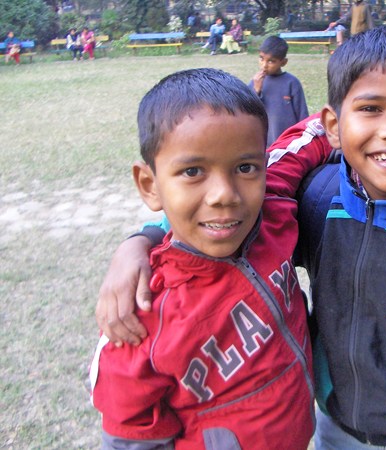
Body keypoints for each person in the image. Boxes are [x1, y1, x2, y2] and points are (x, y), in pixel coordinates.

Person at [97, 25, 386, 450]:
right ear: (334, 125)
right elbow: (221, 194)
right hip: (332, 431)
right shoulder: (312, 203)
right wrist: (141, 240)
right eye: (372, 108)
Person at [89, 68, 320, 449]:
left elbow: (317, 132)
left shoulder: (272, 205)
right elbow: (130, 435)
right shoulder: (138, 317)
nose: (224, 194)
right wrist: (139, 241)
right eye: (193, 171)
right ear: (150, 185)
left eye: (245, 168)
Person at [249, 36, 309, 148]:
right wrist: (256, 91)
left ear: (283, 62)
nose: (264, 65)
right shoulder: (255, 82)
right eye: (261, 59)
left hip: (289, 145)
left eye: (271, 61)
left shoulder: (292, 83)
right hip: (263, 145)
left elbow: (303, 117)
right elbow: (248, 112)